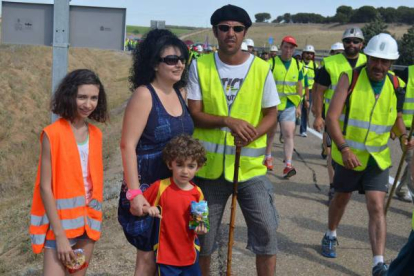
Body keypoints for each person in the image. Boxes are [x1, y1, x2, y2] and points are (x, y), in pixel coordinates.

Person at [187, 4, 280, 276]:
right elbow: (195, 113)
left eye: (237, 29)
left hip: (250, 170)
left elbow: (271, 114)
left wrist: (253, 133)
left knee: (267, 232)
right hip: (208, 170)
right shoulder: (200, 66)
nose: (231, 33)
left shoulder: (261, 68)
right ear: (215, 31)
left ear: (245, 33)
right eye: (225, 28)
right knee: (202, 239)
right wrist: (228, 121)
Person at [321, 33, 414, 276]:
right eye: (375, 60)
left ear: (391, 64)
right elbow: (331, 117)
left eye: (385, 62)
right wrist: (344, 149)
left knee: (376, 205)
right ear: (368, 57)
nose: (379, 66)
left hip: (377, 158)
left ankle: (378, 263)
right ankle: (331, 233)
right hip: (348, 156)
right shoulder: (349, 78)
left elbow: (397, 118)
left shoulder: (395, 85)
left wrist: (404, 137)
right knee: (341, 199)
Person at [118, 28, 194, 276]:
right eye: (171, 59)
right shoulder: (144, 95)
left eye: (182, 59)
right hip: (148, 186)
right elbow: (127, 145)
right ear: (154, 64)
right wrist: (134, 193)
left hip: (175, 187)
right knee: (148, 257)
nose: (179, 64)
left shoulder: (181, 94)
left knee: (170, 252)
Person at [29, 69, 109, 276]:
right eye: (82, 97)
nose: (88, 104)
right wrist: (60, 236)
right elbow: (45, 188)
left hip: (87, 226)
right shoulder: (52, 134)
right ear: (69, 96)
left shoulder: (96, 135)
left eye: (93, 98)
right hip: (60, 228)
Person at [312, 27, 367, 203]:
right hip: (333, 120)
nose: (351, 44)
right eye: (347, 41)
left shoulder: (369, 62)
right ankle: (333, 187)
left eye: (355, 41)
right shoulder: (330, 63)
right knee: (333, 155)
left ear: (362, 44)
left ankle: (358, 183)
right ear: (343, 43)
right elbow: (319, 92)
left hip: (359, 120)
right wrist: (318, 116)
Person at [142, 134, 208, 276]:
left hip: (190, 254)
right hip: (166, 255)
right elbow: (137, 207)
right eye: (179, 165)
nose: (185, 171)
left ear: (198, 167)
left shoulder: (197, 193)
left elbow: (200, 224)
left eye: (191, 166)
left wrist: (201, 228)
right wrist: (148, 208)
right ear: (169, 164)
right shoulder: (160, 187)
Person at [265, 35, 303, 177]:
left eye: (291, 48)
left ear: (294, 50)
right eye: (286, 47)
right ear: (281, 47)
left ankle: (288, 164)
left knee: (288, 134)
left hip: (289, 105)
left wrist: (298, 105)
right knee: (270, 134)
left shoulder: (298, 65)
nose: (288, 50)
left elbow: (299, 86)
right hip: (272, 106)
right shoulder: (271, 63)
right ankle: (268, 157)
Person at [395, 65, 414, 202]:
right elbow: (394, 98)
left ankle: (402, 190)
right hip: (406, 128)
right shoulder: (408, 72)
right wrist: (393, 125)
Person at [300, 44, 319, 137]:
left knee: (305, 109)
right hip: (298, 90)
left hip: (310, 91)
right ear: (303, 54)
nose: (309, 55)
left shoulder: (315, 65)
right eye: (307, 53)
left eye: (311, 54)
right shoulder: (298, 64)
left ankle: (303, 129)